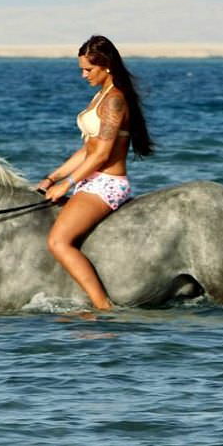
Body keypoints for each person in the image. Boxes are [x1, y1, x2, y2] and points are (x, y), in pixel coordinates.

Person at [36, 35, 154, 310]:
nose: (83, 75)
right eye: (81, 69)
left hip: (107, 184)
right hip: (90, 181)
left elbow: (101, 154)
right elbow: (87, 151)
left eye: (88, 69)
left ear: (107, 66)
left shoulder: (114, 100)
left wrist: (67, 185)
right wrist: (52, 178)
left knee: (58, 241)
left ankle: (102, 307)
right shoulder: (99, 96)